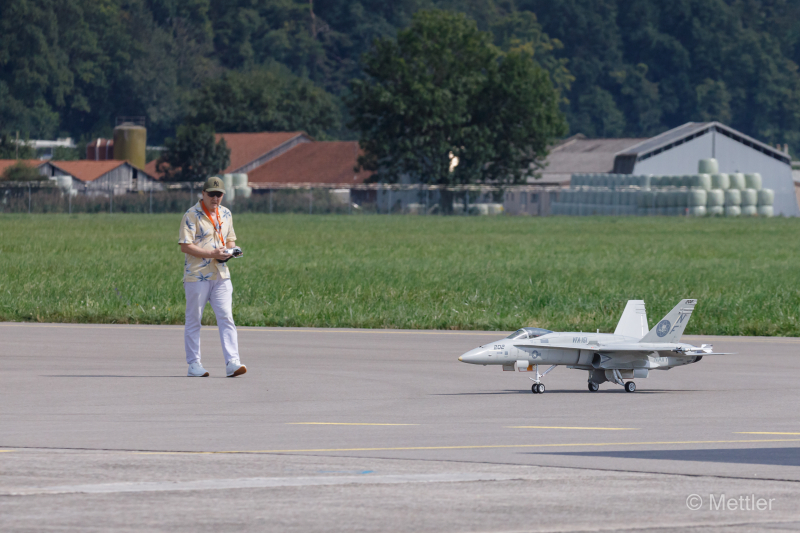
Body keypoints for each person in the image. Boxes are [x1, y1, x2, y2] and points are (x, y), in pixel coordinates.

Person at [178, 176, 247, 378]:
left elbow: (231, 239)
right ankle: (194, 364)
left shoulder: (226, 214)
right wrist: (212, 254)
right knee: (194, 320)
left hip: (221, 274)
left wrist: (232, 251)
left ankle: (232, 362)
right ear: (203, 194)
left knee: (226, 317)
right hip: (197, 275)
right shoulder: (192, 215)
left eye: (219, 194)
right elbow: (185, 245)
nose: (215, 198)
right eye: (211, 194)